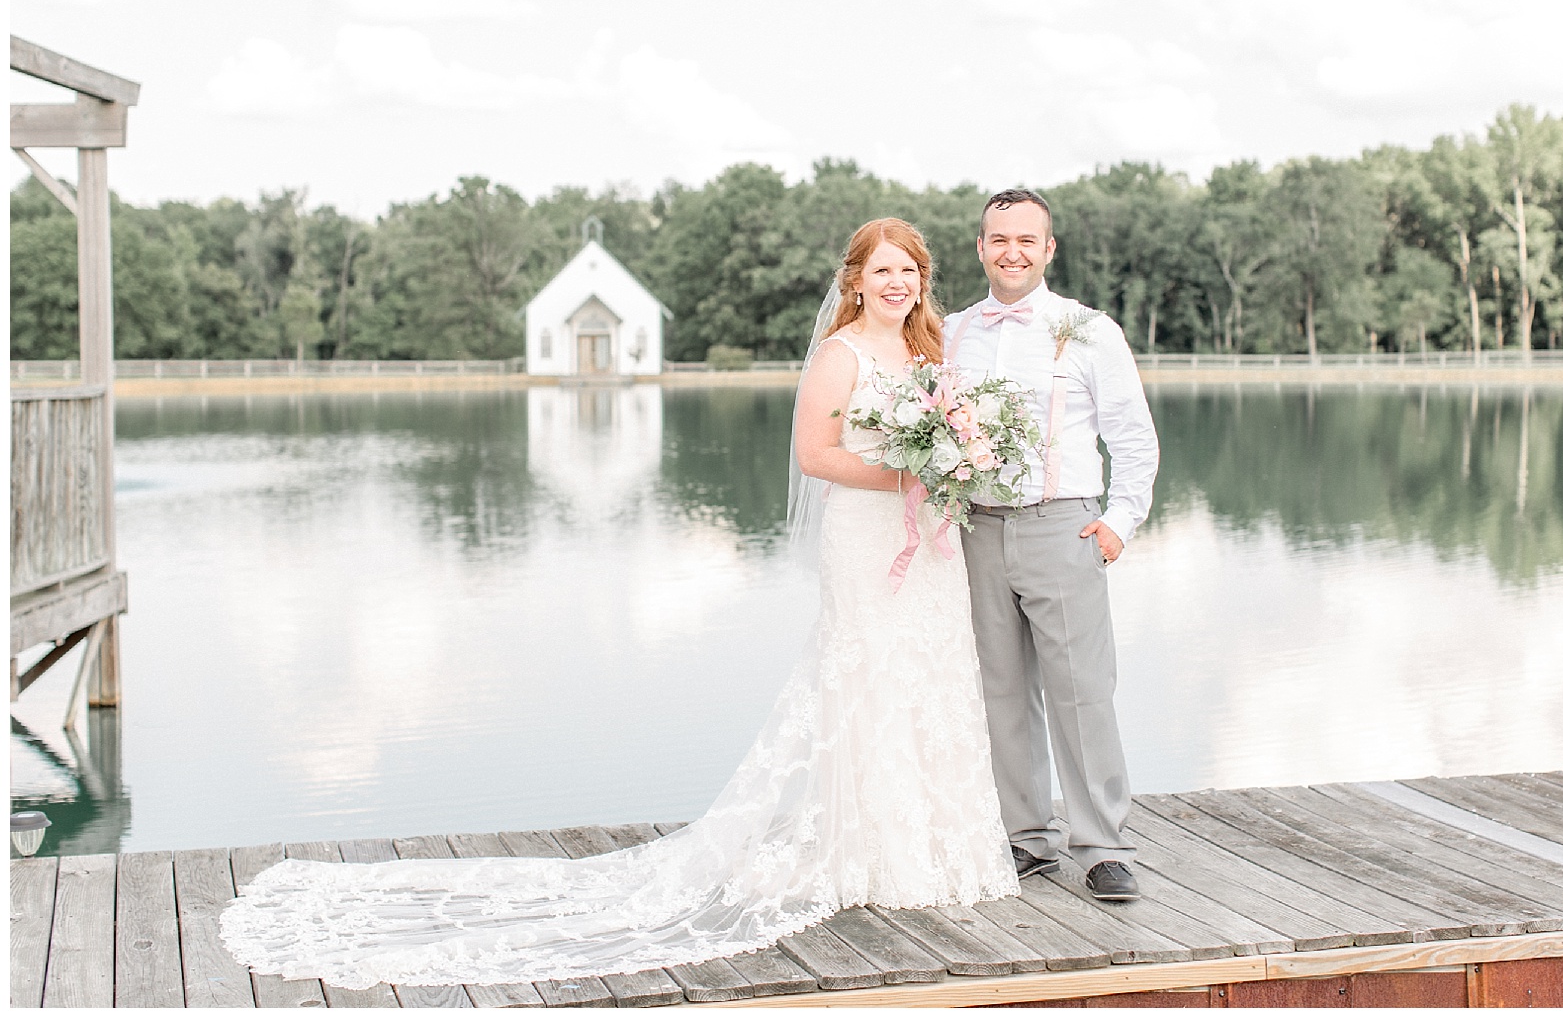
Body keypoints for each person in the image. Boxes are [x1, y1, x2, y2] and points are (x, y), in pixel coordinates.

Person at [219, 218, 1017, 989]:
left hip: (929, 547)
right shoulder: (839, 355)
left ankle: (936, 847)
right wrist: (906, 476)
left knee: (931, 678)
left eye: (909, 269)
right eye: (883, 269)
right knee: (868, 678)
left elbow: (950, 431)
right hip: (866, 537)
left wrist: (947, 466)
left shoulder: (928, 349)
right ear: (856, 280)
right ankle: (868, 852)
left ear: (923, 280)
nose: (898, 281)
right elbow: (816, 455)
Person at [944, 188, 1159, 902]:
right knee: (1000, 690)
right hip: (977, 528)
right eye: (998, 238)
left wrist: (1119, 524)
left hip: (1062, 525)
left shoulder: (1089, 329)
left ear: (1048, 249)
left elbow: (1132, 437)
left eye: (1025, 240)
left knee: (1082, 692)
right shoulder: (950, 333)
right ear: (980, 246)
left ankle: (1102, 845)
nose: (1011, 251)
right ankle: (1025, 838)